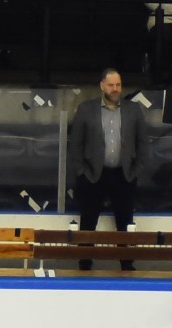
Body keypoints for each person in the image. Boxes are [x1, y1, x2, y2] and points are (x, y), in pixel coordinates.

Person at [67, 70, 149, 270]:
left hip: (124, 174)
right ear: (102, 86)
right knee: (88, 220)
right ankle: (85, 262)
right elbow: (75, 144)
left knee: (125, 221)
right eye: (111, 85)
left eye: (118, 85)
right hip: (93, 174)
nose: (115, 89)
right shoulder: (86, 109)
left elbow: (143, 143)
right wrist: (82, 172)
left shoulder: (133, 110)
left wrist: (135, 171)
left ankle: (126, 264)